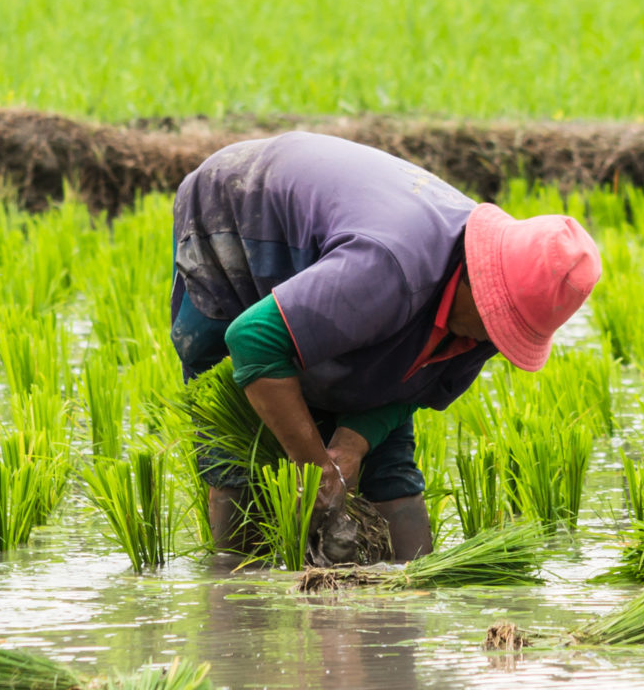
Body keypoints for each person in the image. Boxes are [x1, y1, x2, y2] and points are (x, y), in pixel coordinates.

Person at [169, 133, 601, 561]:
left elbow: (410, 390)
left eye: (512, 331)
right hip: (239, 207)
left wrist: (350, 447)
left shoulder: (488, 317)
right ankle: (233, 591)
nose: (491, 342)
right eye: (497, 323)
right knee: (238, 441)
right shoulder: (386, 268)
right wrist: (314, 465)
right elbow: (253, 340)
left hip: (362, 261)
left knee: (386, 465)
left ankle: (406, 599)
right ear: (477, 279)